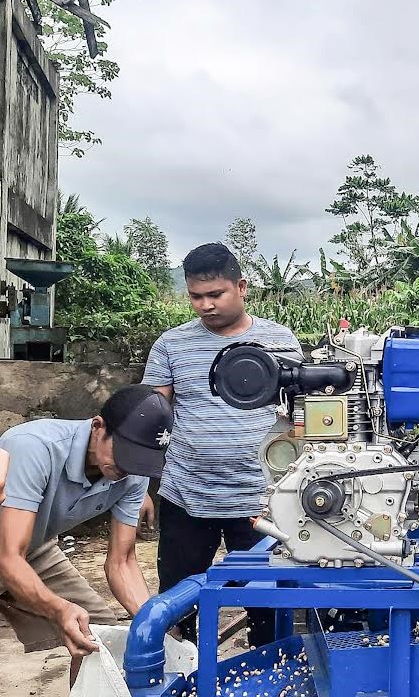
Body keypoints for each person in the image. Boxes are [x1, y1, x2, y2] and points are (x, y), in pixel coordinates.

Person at [142, 243, 299, 645]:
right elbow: (150, 419)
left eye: (216, 294)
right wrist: (140, 488)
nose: (205, 305)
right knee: (178, 608)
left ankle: (268, 681)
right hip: (186, 497)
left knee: (268, 609)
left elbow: (300, 420)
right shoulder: (171, 345)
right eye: (196, 296)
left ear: (242, 286)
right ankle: (181, 678)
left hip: (260, 502)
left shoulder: (279, 342)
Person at [0, 385, 172, 684]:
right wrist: (57, 608)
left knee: (97, 633)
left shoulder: (132, 472)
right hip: (11, 549)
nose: (126, 468)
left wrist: (154, 623)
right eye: (124, 452)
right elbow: (9, 557)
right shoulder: (33, 447)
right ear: (97, 427)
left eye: (139, 459)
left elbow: (122, 562)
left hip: (33, 548)